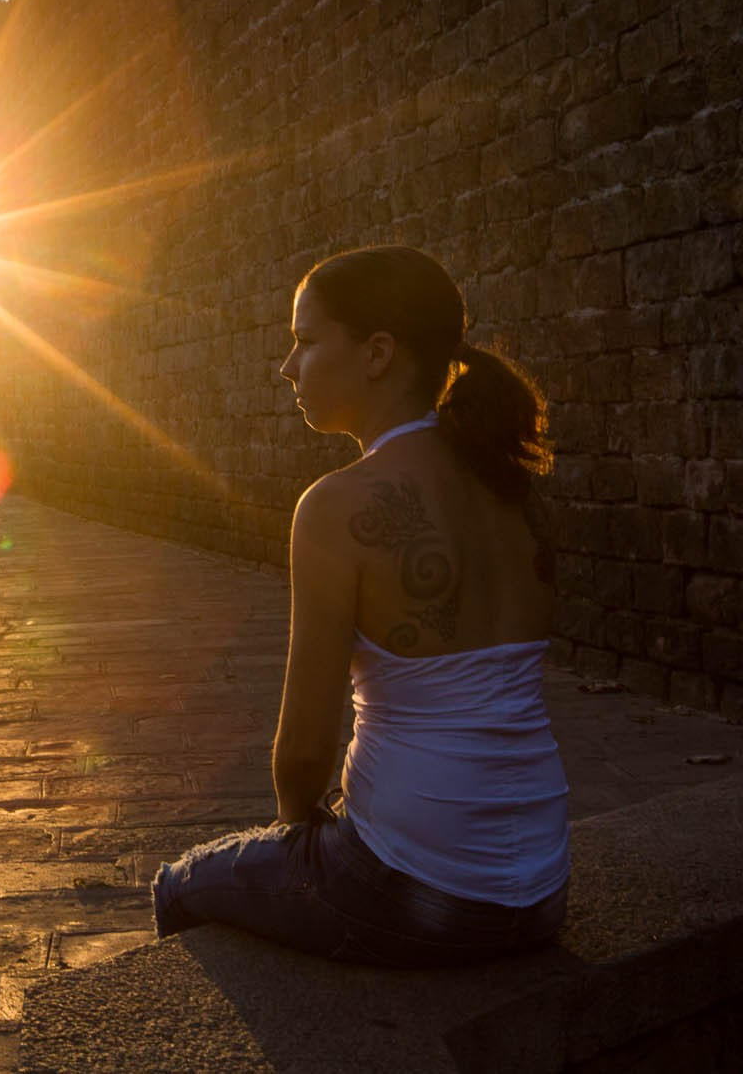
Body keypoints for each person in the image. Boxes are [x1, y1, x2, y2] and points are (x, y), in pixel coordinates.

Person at [152, 245, 567, 967]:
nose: (288, 367)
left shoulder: (337, 506)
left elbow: (305, 750)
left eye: (306, 341)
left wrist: (296, 841)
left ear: (377, 353)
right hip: (540, 889)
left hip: (415, 892)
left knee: (179, 886)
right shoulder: (513, 489)